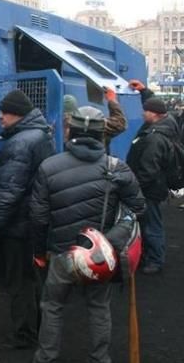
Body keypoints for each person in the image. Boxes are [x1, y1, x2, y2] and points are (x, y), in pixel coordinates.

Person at [30, 106, 145, 363]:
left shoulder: (48, 167)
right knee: (98, 308)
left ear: (71, 131)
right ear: (101, 134)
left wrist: (39, 253)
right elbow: (137, 209)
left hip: (61, 254)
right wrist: (111, 242)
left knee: (52, 307)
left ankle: (45, 357)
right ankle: (100, 358)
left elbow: (38, 218)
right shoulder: (117, 168)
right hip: (98, 255)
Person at [0, 89, 55, 350]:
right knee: (33, 279)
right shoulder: (40, 135)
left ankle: (24, 335)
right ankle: (39, 328)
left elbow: (10, 191)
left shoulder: (20, 143)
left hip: (19, 226)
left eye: (5, 111)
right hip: (34, 223)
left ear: (18, 114)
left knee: (20, 282)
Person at [126, 80, 177, 275]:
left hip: (150, 189)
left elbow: (148, 169)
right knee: (150, 223)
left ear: (154, 115)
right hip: (156, 187)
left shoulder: (155, 138)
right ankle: (151, 256)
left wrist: (134, 188)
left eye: (145, 111)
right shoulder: (167, 122)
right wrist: (144, 92)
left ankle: (155, 260)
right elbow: (154, 104)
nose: (142, 113)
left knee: (151, 225)